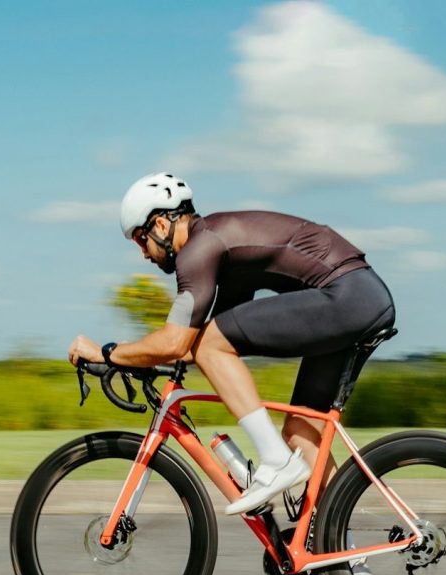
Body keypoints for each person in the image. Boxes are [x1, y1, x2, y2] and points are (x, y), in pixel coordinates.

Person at [67, 172, 395, 523]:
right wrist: (140, 360)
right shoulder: (219, 248)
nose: (142, 254)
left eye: (139, 240)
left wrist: (105, 352)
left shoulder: (198, 249)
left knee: (212, 345)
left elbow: (181, 342)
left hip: (346, 297)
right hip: (356, 298)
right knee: (300, 433)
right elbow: (194, 345)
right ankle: (340, 558)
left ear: (160, 224)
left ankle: (275, 461)